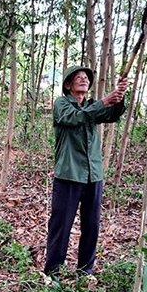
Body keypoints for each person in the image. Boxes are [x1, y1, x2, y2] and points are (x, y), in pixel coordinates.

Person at [44, 65, 128, 277]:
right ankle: (52, 272)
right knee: (61, 226)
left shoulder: (92, 105)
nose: (83, 79)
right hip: (68, 175)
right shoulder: (62, 104)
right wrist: (106, 100)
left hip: (93, 176)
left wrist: (118, 96)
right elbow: (75, 117)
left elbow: (111, 115)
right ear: (68, 85)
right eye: (78, 77)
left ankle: (85, 271)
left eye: (86, 77)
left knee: (91, 226)